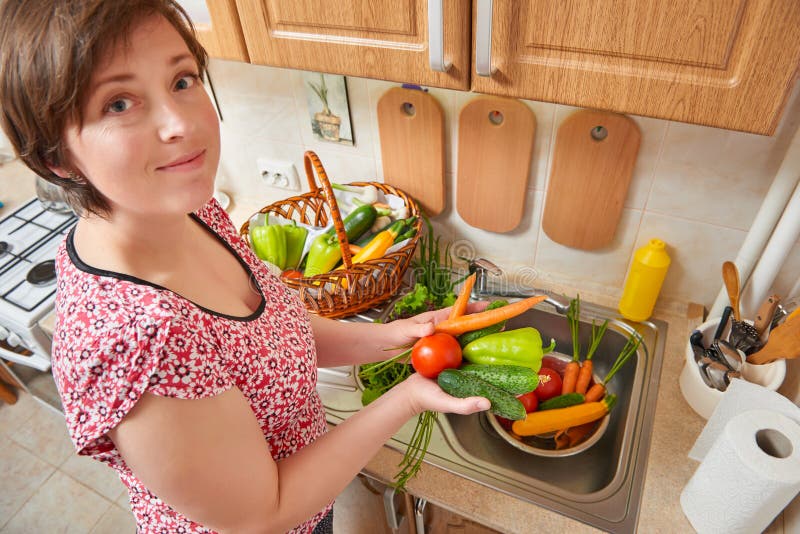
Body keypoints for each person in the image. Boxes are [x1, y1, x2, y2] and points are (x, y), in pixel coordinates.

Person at [0, 2, 490, 533]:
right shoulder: (131, 338)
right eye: (119, 103)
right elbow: (263, 515)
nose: (181, 123)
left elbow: (269, 334)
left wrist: (396, 337)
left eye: (182, 79)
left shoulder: (186, 208)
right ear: (57, 158)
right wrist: (409, 396)